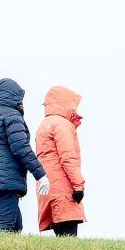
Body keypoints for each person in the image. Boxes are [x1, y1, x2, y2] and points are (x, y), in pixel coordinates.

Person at [0, 78, 50, 233]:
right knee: (5, 225)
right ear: (13, 97)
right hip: (4, 180)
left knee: (16, 226)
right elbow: (21, 149)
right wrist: (41, 175)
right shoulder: (12, 116)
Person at [35, 86, 86, 237]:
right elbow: (68, 157)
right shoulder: (62, 124)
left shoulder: (43, 125)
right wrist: (78, 186)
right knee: (69, 240)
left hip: (48, 188)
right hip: (63, 188)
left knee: (60, 238)